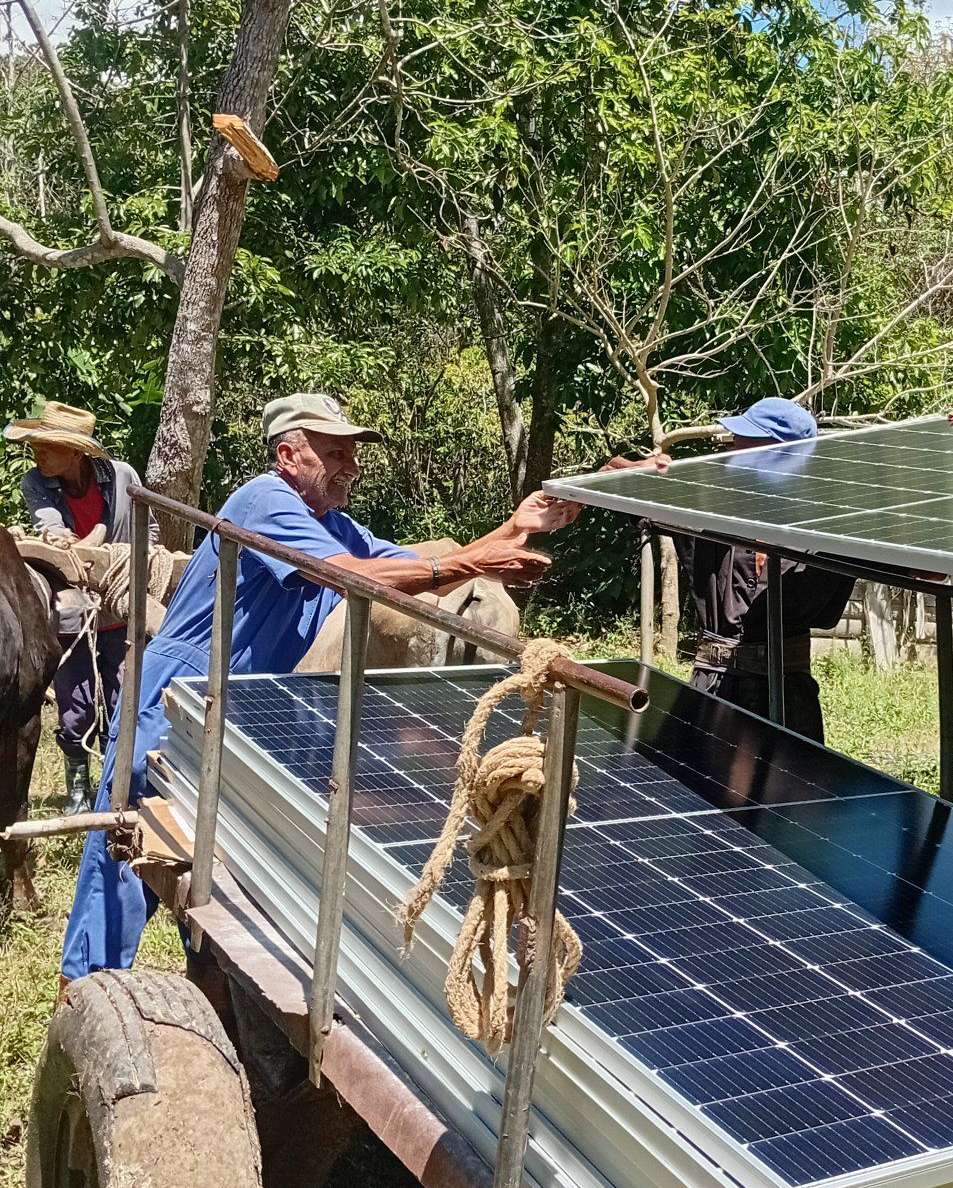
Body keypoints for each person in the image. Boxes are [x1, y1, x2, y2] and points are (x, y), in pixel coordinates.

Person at [60, 390, 577, 987]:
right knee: (126, 848)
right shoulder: (264, 500)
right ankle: (88, 990)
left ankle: (211, 982)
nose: (351, 469)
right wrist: (470, 563)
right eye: (336, 454)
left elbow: (413, 568)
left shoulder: (330, 525)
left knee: (219, 854)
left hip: (239, 709)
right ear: (288, 456)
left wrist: (514, 529)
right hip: (178, 697)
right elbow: (353, 576)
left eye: (353, 456)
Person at [683, 399, 953, 741]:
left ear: (784, 455)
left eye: (746, 439)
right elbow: (619, 480)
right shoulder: (705, 501)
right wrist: (638, 472)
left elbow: (931, 572)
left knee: (791, 791)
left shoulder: (838, 526)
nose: (732, 446)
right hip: (712, 688)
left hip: (789, 702)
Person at [4, 401, 148, 811]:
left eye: (48, 445)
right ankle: (79, 792)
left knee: (124, 701)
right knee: (75, 708)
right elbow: (55, 534)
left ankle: (115, 788)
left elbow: (146, 527)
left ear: (76, 451)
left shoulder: (123, 478)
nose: (38, 453)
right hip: (70, 613)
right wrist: (82, 538)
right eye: (36, 445)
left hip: (121, 607)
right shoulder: (36, 483)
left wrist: (128, 554)